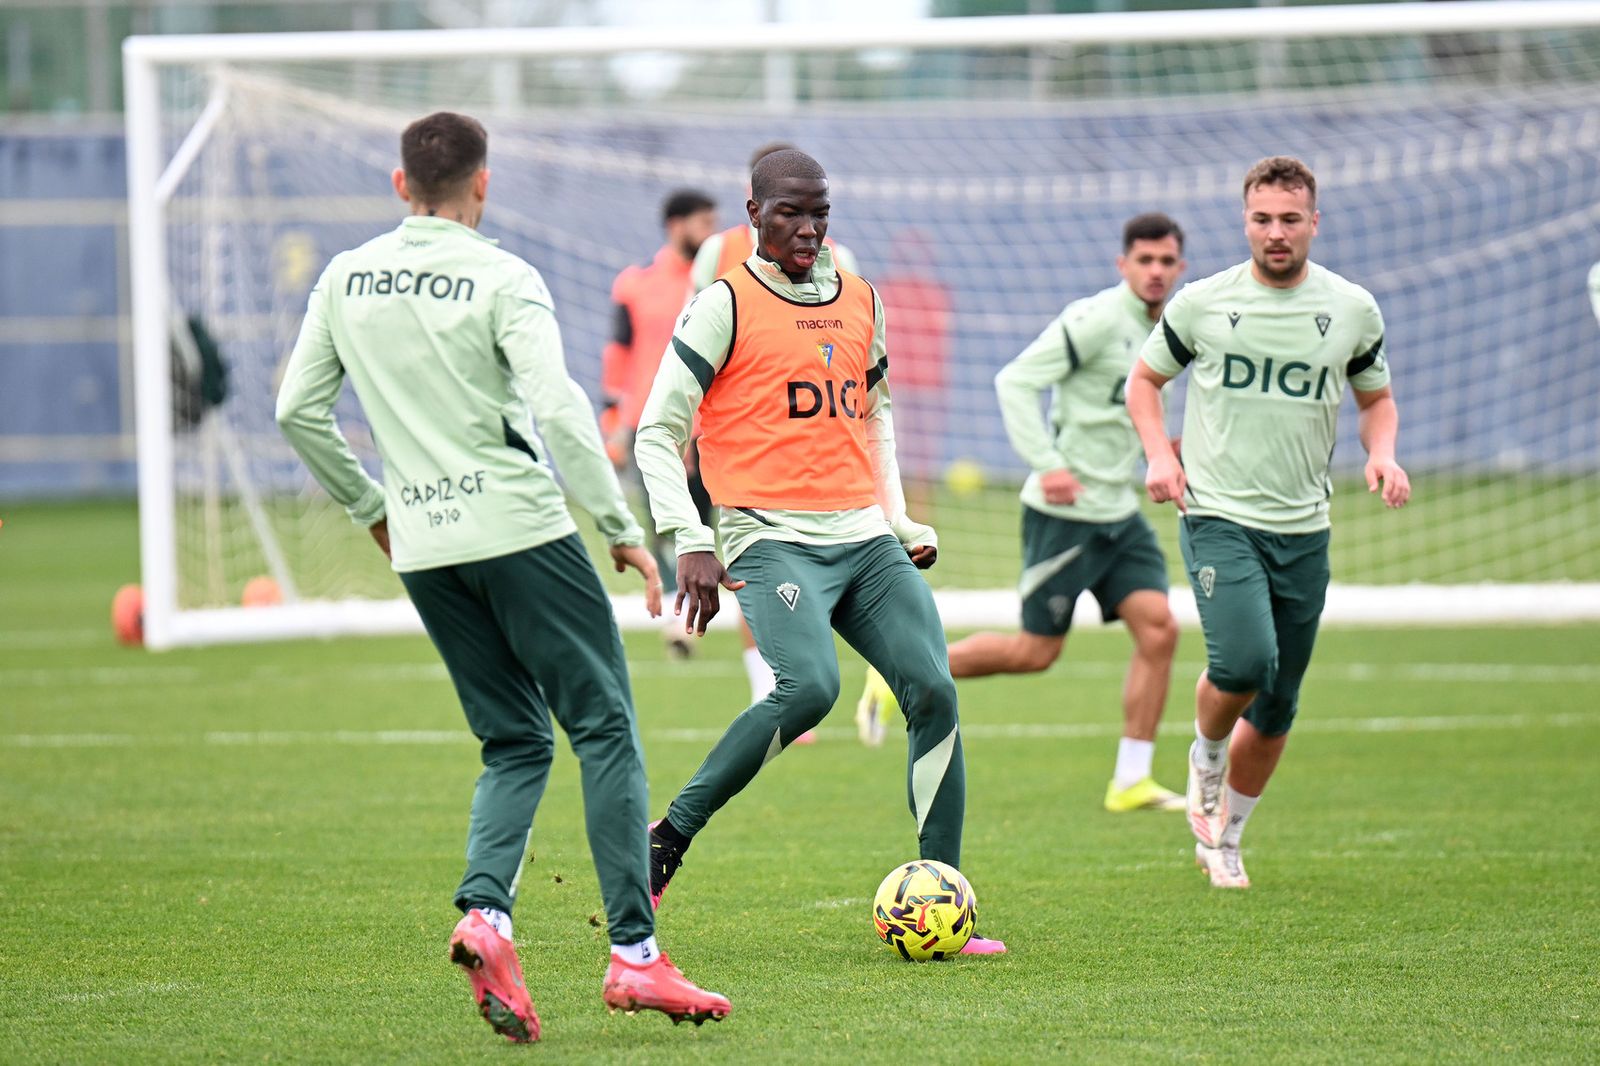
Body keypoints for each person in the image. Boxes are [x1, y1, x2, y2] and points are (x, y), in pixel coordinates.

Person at [275, 111, 729, 1043]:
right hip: (521, 531)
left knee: (514, 741)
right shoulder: (502, 275)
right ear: (483, 185)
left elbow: (297, 411)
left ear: (402, 186)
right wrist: (618, 529)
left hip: (428, 547)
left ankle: (487, 916)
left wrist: (372, 510)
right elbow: (561, 409)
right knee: (602, 726)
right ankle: (637, 959)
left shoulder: (344, 276)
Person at [634, 148, 1005, 954]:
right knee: (810, 689)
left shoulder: (862, 297)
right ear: (754, 213)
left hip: (862, 536)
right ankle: (667, 836)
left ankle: (940, 893)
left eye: (819, 214)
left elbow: (875, 417)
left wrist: (900, 521)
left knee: (934, 689)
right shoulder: (721, 304)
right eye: (789, 213)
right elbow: (657, 432)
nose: (806, 229)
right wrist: (691, 539)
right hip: (769, 536)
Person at [1125, 156, 1411, 889]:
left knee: (1280, 701)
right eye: (1262, 219)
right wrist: (1160, 456)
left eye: (1290, 219)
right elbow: (1145, 383)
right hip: (1218, 512)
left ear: (1314, 222)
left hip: (1305, 525)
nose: (1275, 233)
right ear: (1244, 221)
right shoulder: (1204, 304)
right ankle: (1206, 755)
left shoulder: (1351, 309)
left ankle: (1226, 837)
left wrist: (1382, 454)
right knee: (1246, 665)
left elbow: (1376, 397)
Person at [859, 214, 1187, 816]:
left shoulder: (1175, 329)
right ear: (1124, 266)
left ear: (1180, 269)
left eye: (1167, 261)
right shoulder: (1092, 321)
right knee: (1035, 653)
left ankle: (1131, 780)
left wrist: (1169, 451)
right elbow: (1014, 380)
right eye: (1145, 260)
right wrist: (1048, 462)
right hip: (1063, 517)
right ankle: (894, 672)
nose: (1156, 271)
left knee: (1161, 630)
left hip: (1122, 514)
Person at [599, 188, 720, 652]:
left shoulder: (719, 281)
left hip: (710, 427)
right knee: (663, 520)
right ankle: (678, 613)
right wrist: (611, 421)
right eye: (703, 223)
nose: (711, 233)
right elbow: (618, 353)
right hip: (646, 424)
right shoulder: (635, 283)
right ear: (676, 225)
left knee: (714, 518)